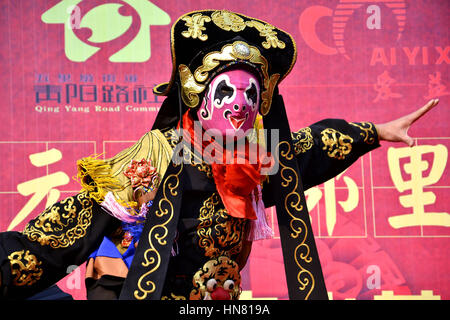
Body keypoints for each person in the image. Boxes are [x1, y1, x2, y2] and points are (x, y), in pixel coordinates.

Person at [0, 9, 439, 300]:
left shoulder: (256, 159)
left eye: (251, 94)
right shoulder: (153, 158)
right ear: (201, 99)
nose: (240, 103)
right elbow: (65, 231)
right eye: (226, 91)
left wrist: (376, 131)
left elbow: (312, 147)